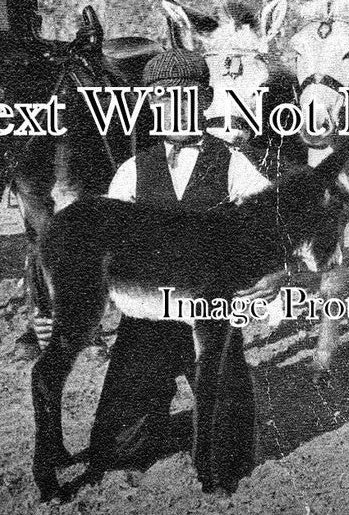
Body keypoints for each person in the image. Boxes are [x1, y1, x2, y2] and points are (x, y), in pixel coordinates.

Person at [93, 48, 268, 480]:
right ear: (150, 105)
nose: (172, 107)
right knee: (117, 451)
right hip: (149, 317)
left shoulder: (233, 163)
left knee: (227, 466)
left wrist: (272, 274)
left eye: (185, 96)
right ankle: (156, 419)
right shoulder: (132, 171)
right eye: (160, 97)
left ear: (206, 99)